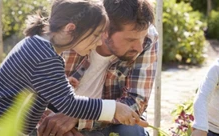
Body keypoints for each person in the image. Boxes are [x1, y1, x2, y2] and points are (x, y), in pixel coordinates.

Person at [0, 0, 141, 135]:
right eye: (96, 35)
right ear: (71, 29)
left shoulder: (37, 43)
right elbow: (69, 104)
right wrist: (114, 108)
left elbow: (34, 87)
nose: (99, 42)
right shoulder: (45, 56)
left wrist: (59, 85)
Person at [36, 0, 158, 135]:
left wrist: (77, 116)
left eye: (141, 38)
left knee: (132, 132)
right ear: (105, 30)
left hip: (106, 121)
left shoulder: (146, 37)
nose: (139, 47)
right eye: (130, 40)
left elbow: (135, 103)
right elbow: (26, 95)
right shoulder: (69, 32)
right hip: (58, 114)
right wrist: (50, 122)